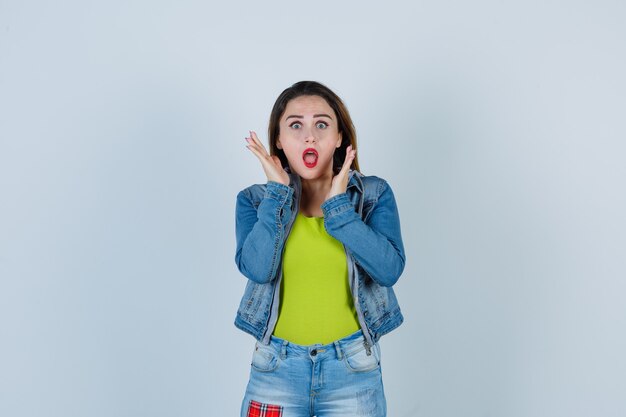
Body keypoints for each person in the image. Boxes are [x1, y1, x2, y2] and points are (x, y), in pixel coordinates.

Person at [234, 81, 406, 417]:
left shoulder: (373, 195)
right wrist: (277, 194)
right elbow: (258, 269)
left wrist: (339, 206)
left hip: (353, 370)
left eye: (321, 124)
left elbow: (389, 270)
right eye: (295, 125)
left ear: (339, 137)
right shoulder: (255, 201)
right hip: (275, 370)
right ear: (280, 141)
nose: (309, 136)